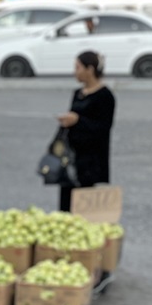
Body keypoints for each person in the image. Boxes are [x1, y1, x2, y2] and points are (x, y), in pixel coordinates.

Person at [56, 51, 116, 213]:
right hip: (71, 156)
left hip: (91, 160)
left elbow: (104, 127)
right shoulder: (78, 93)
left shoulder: (105, 96)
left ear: (90, 69)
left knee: (85, 208)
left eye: (78, 67)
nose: (74, 72)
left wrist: (78, 120)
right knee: (65, 205)